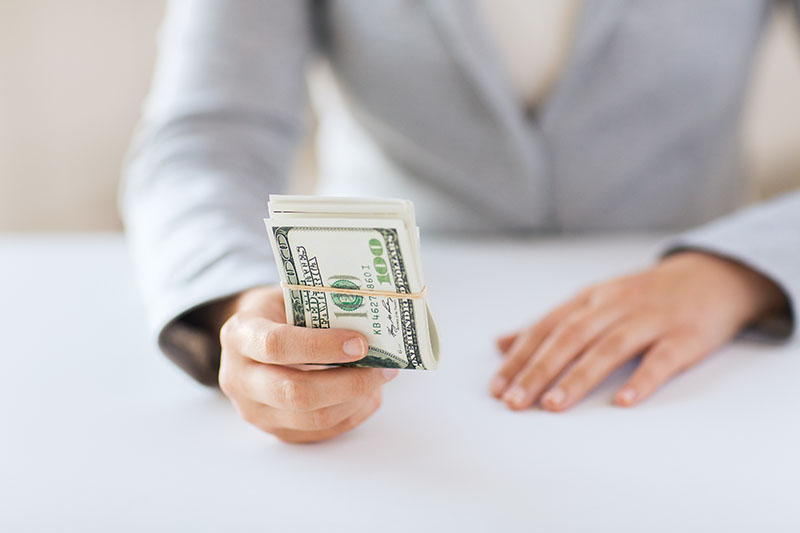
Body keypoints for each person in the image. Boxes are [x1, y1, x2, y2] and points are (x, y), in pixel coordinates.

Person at [122, 0, 798, 443]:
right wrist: (237, 306)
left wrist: (744, 272)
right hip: (386, 390)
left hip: (711, 362)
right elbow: (203, 139)